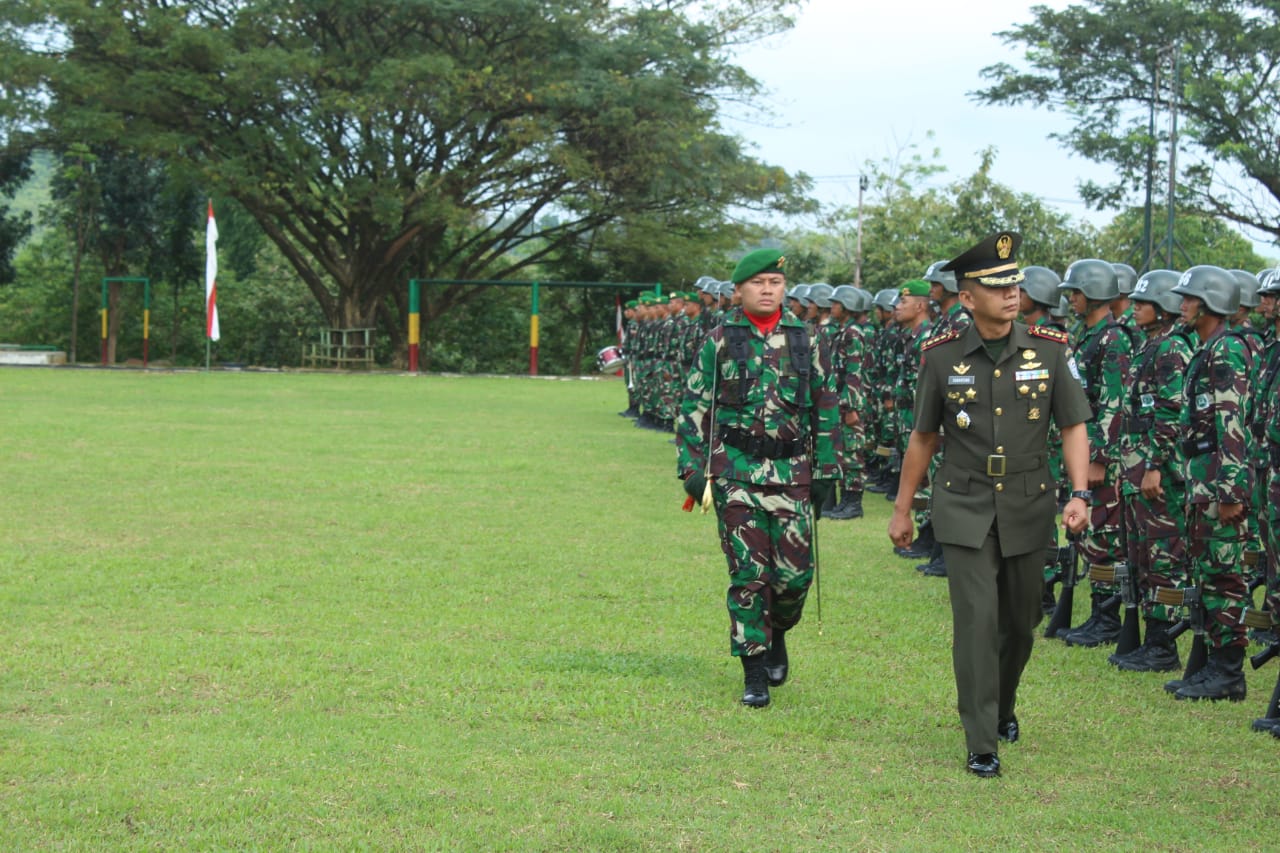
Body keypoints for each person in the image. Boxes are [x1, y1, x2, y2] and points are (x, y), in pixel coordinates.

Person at [887, 231, 1092, 778]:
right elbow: (923, 438)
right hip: (964, 502)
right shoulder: (941, 356)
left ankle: (1002, 706)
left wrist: (1079, 492)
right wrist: (903, 508)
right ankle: (981, 738)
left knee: (1021, 623)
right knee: (975, 621)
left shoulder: (1050, 348)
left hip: (1028, 503)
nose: (1010, 293)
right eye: (995, 285)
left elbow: (1073, 425)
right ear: (966, 297)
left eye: (1014, 283)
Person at [676, 248, 842, 708]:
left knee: (793, 580)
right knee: (749, 576)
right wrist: (692, 470)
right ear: (739, 291)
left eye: (775, 282)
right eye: (758, 283)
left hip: (792, 475)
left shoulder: (806, 339)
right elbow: (693, 406)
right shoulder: (720, 340)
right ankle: (753, 673)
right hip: (737, 475)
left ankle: (778, 632)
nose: (768, 290)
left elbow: (826, 408)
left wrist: (827, 471)